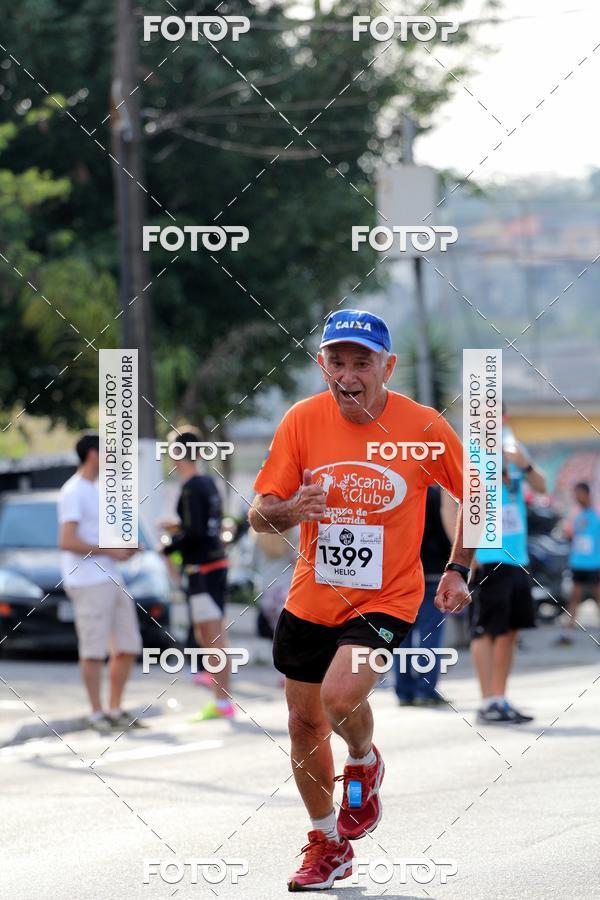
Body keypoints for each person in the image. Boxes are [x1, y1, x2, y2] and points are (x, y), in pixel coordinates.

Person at [248, 309, 472, 892]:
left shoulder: (422, 428)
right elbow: (258, 513)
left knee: (340, 695)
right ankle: (326, 842)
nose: (348, 373)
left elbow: (478, 493)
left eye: (361, 361)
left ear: (387, 367)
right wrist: (291, 510)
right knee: (302, 722)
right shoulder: (302, 421)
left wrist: (457, 568)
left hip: (389, 595)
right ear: (322, 365)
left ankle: (364, 760)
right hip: (311, 594)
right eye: (336, 360)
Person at [58, 432, 143, 736]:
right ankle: (96, 714)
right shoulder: (73, 491)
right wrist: (111, 551)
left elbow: (97, 537)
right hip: (87, 581)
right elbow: (67, 540)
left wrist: (126, 548)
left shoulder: (95, 490)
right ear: (92, 454)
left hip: (110, 577)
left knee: (128, 646)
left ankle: (115, 709)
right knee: (93, 650)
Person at [471, 426, 547, 724]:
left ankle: (500, 698)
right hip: (487, 555)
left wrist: (524, 464)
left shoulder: (513, 450)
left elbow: (541, 486)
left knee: (509, 631)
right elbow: (455, 504)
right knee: (486, 629)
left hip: (517, 556)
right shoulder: (469, 454)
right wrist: (467, 552)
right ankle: (487, 700)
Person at [161, 427, 234, 721]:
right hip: (213, 564)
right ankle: (220, 694)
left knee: (212, 636)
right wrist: (177, 532)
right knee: (209, 635)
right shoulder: (208, 483)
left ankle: (222, 702)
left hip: (202, 568)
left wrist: (166, 545)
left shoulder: (192, 487)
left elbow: (195, 533)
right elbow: (205, 528)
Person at [394, 485, 457, 707]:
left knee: (403, 635)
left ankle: (404, 692)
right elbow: (450, 533)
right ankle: (425, 690)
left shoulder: (403, 491)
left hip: (403, 574)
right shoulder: (444, 496)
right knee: (431, 634)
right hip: (434, 574)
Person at [557, 482, 600, 645]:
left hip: (595, 564)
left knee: (598, 598)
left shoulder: (597, 513)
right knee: (574, 598)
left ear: (586, 494)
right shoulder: (575, 515)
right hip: (578, 563)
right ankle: (568, 632)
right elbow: (569, 535)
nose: (576, 497)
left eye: (579, 494)